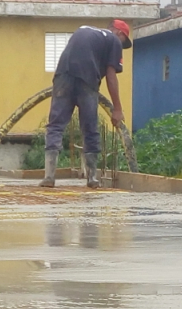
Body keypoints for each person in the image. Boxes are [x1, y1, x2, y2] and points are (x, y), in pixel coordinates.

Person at [40, 20, 132, 189]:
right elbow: (111, 76)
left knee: (55, 125)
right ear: (120, 33)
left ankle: (49, 177)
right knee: (90, 127)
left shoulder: (84, 29)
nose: (121, 47)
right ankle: (92, 179)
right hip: (87, 79)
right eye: (123, 43)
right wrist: (117, 108)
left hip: (62, 76)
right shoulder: (113, 41)